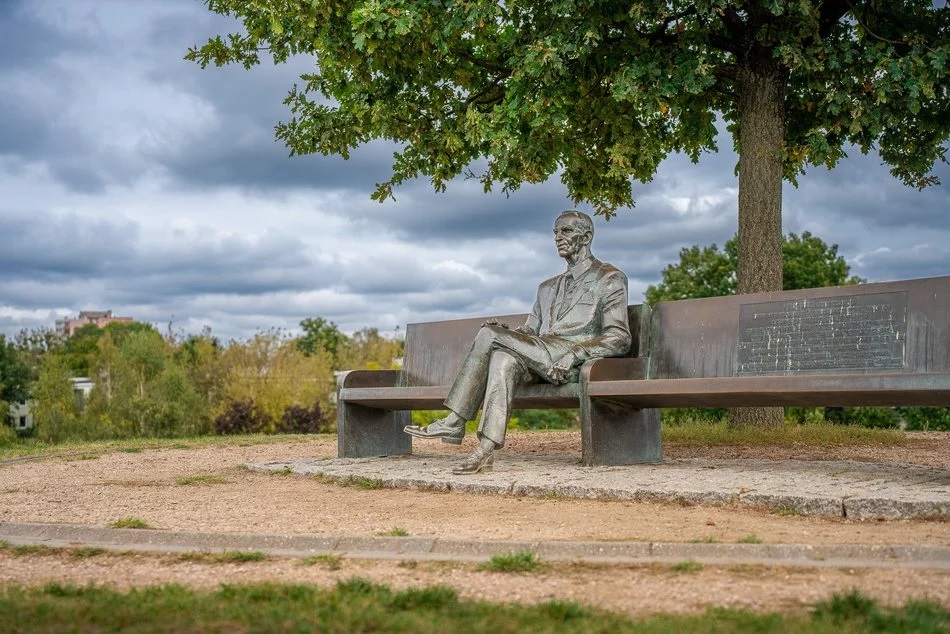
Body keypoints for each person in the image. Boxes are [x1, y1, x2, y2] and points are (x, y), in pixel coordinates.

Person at [403, 210, 632, 474]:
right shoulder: (547, 288)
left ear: (587, 236)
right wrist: (510, 334)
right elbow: (532, 330)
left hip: (570, 361)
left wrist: (576, 354)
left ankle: (455, 420)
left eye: (566, 231)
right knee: (503, 358)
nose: (558, 237)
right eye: (555, 232)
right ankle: (486, 450)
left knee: (489, 335)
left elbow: (619, 337)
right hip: (541, 357)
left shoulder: (609, 278)